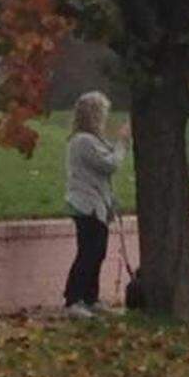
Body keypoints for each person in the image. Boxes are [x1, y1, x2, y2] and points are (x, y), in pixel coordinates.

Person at [63, 91, 131, 319]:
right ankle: (73, 299)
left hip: (98, 204)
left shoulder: (93, 141)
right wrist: (122, 142)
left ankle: (91, 297)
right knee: (88, 253)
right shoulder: (83, 141)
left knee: (97, 252)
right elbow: (109, 164)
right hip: (87, 205)